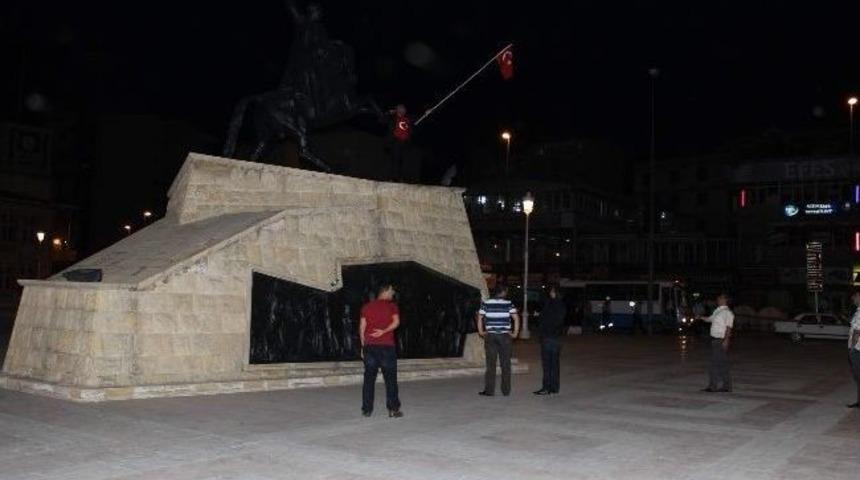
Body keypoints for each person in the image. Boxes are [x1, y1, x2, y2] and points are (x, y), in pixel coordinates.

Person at [360, 282, 403, 418]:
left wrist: (363, 346)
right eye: (391, 290)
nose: (393, 293)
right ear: (385, 291)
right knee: (390, 379)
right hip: (386, 347)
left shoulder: (366, 306)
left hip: (370, 347)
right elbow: (396, 323)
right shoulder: (392, 306)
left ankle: (366, 410)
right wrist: (383, 331)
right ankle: (393, 409)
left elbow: (362, 327)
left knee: (369, 379)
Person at [476, 284, 520, 396]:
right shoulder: (509, 304)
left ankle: (489, 391)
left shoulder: (486, 303)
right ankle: (506, 391)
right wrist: (515, 333)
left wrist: (481, 331)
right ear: (503, 292)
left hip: (490, 336)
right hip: (505, 336)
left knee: (490, 364)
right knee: (506, 364)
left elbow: (480, 317)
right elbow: (516, 318)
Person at [698, 293, 734, 393]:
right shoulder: (718, 311)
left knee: (714, 364)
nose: (718, 299)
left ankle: (713, 386)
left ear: (725, 300)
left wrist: (726, 340)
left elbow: (729, 327)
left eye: (720, 298)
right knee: (722, 364)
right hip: (715, 340)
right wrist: (701, 317)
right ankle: (726, 386)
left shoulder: (727, 313)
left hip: (720, 340)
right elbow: (710, 319)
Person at [534, 286, 566, 395]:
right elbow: (559, 321)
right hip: (556, 338)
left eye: (552, 291)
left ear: (555, 293)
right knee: (555, 364)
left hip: (548, 337)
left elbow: (545, 319)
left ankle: (546, 387)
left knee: (547, 364)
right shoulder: (561, 305)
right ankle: (554, 387)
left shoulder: (550, 304)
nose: (550, 293)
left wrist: (539, 316)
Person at [847, 290, 860, 408]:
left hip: (857, 349)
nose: (853, 298)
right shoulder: (858, 311)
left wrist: (851, 347)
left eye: (855, 296)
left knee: (858, 376)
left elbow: (857, 332)